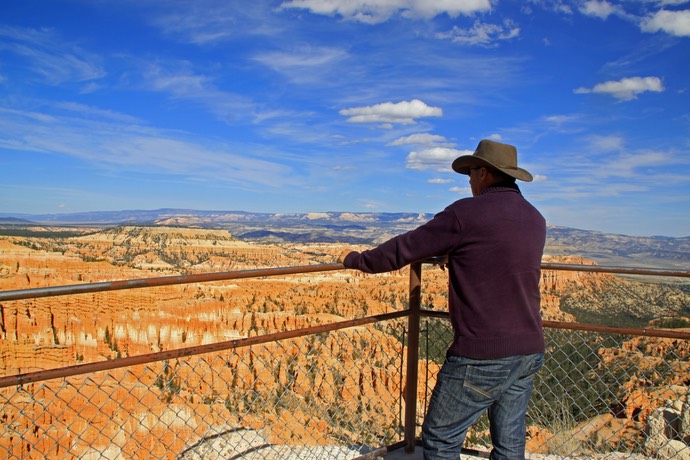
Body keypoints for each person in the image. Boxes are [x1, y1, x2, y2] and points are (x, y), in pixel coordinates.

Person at [338, 139, 546, 459]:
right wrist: (456, 250)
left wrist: (355, 259)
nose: (470, 181)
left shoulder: (466, 213)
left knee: (439, 440)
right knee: (509, 443)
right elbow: (495, 252)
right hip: (528, 350)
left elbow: (404, 249)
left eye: (471, 174)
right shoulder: (535, 218)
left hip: (482, 355)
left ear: (485, 174)